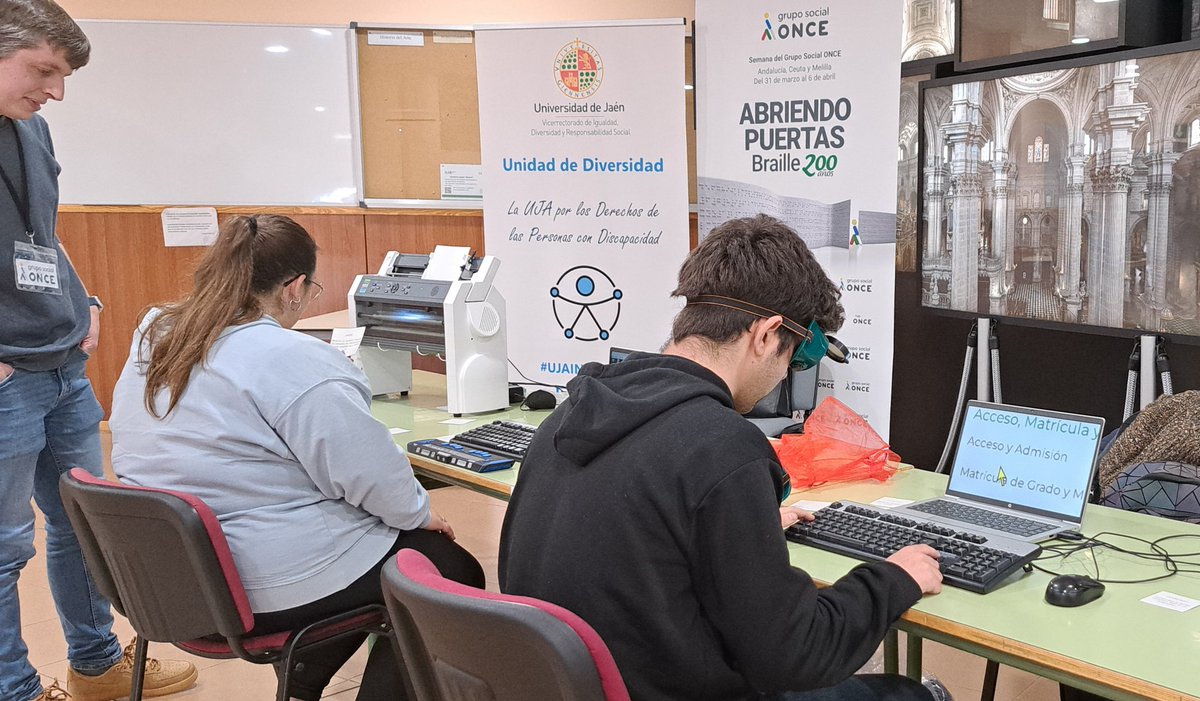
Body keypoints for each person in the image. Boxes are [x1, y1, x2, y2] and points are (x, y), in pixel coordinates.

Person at [499, 214, 946, 701]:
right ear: (766, 335)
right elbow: (796, 654)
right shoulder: (723, 447)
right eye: (792, 360)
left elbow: (630, 541)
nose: (782, 377)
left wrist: (735, 533)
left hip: (582, 685)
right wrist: (894, 579)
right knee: (909, 694)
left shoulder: (567, 416)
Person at [109, 214, 484, 701]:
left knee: (375, 551)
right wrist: (420, 510)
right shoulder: (290, 359)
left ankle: (302, 681)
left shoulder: (156, 333)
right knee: (446, 567)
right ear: (294, 287)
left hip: (166, 581)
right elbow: (372, 479)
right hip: (253, 585)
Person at [0, 2, 198, 700]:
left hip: (61, 365)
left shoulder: (30, 128)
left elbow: (40, 232)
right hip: (6, 383)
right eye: (44, 71)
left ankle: (95, 663)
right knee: (3, 550)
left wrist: (80, 298)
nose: (56, 91)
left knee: (83, 525)